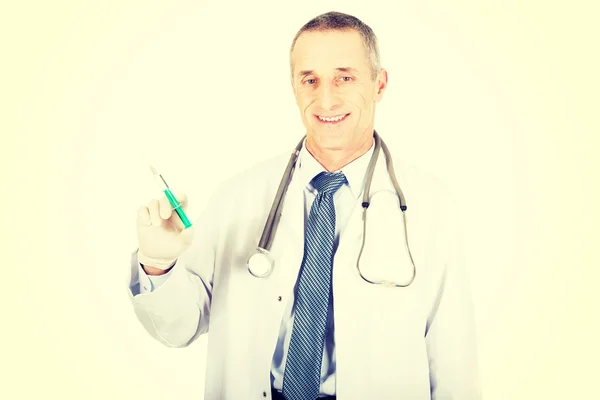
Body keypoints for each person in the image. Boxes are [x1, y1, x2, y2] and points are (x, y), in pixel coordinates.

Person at [128, 11, 481, 400]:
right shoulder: (237, 198)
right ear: (293, 87)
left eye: (344, 77)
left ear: (379, 84)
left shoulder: (431, 207)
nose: (325, 98)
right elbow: (177, 328)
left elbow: (453, 364)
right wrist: (157, 264)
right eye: (309, 79)